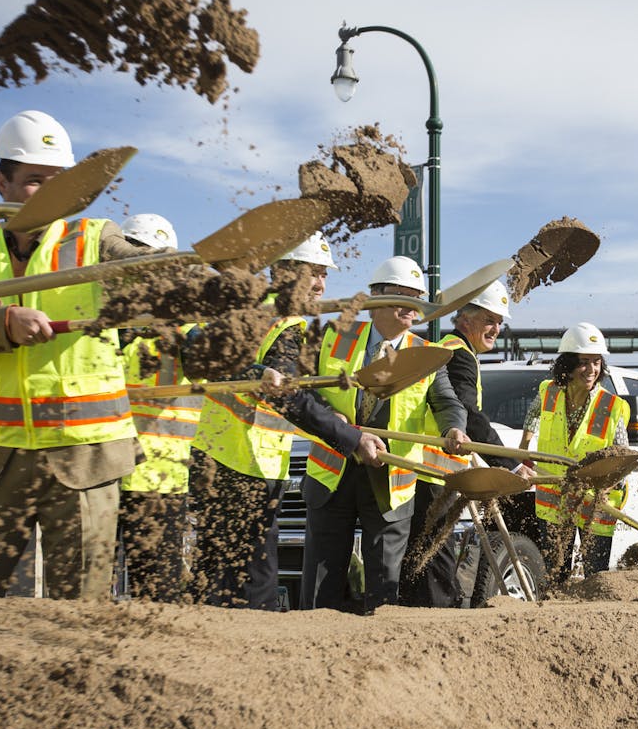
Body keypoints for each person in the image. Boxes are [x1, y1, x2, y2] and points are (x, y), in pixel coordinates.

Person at [0, 110, 161, 600]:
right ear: (2, 182)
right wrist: (0, 325)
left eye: (60, 182)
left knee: (81, 605)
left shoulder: (96, 238)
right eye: (35, 181)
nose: (50, 194)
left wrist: (201, 278)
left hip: (85, 454)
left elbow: (150, 271)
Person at [275, 255, 467, 613]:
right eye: (403, 297)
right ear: (376, 298)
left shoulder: (427, 354)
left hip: (390, 480)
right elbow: (300, 389)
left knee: (384, 587)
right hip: (333, 472)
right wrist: (329, 413)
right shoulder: (332, 336)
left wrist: (454, 427)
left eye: (417, 298)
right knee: (320, 583)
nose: (412, 308)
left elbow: (446, 402)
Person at [189, 232, 335, 609]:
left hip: (213, 451)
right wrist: (345, 435)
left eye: (324, 274)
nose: (320, 284)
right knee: (257, 575)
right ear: (284, 272)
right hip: (249, 460)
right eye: (312, 273)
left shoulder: (248, 307)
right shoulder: (286, 322)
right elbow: (287, 394)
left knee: (216, 566)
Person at [399, 279, 523, 606]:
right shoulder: (458, 355)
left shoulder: (447, 350)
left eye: (499, 321)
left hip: (427, 473)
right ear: (464, 320)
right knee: (435, 565)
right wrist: (508, 464)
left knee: (427, 562)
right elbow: (469, 412)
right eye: (488, 320)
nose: (496, 328)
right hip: (432, 475)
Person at [115, 214, 199, 603]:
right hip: (98, 472)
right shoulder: (104, 318)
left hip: (159, 481)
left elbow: (213, 355)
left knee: (157, 598)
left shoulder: (184, 325)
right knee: (86, 595)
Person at [518, 322, 631, 580]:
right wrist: (523, 452)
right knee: (554, 573)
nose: (591, 369)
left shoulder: (611, 405)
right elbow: (532, 418)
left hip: (595, 503)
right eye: (583, 362)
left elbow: (622, 457)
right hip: (554, 498)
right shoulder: (548, 392)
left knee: (595, 576)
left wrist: (612, 484)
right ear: (567, 365)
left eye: (596, 362)